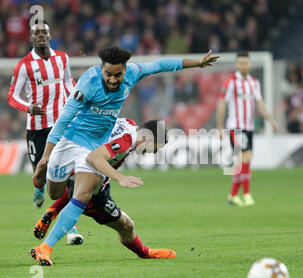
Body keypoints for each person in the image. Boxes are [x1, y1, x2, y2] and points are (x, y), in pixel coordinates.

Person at [32, 46, 219, 264]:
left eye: (117, 75)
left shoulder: (132, 75)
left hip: (95, 145)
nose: (113, 80)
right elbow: (64, 119)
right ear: (101, 69)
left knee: (82, 194)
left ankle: (45, 247)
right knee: (55, 193)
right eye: (108, 74)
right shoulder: (88, 84)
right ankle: (45, 194)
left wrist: (197, 63)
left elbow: (160, 65)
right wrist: (46, 156)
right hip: (71, 139)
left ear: (125, 71)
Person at [31, 118, 175, 265]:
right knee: (126, 225)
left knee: (79, 191)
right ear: (147, 139)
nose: (150, 153)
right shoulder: (124, 142)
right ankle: (145, 253)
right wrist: (121, 178)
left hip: (75, 161)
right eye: (154, 149)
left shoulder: (129, 123)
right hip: (94, 185)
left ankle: (52, 211)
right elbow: (93, 158)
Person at [7, 20, 83, 244]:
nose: (41, 35)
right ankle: (38, 188)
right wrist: (27, 107)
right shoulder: (25, 65)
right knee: (41, 172)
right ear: (31, 38)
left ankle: (71, 230)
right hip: (38, 128)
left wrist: (79, 101)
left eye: (44, 32)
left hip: (62, 125)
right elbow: (12, 95)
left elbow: (69, 82)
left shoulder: (63, 58)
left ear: (50, 36)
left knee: (67, 177)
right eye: (36, 32)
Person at [216, 51, 277, 207]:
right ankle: (247, 194)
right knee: (245, 159)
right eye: (241, 62)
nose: (244, 65)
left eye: (246, 62)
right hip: (235, 127)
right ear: (237, 64)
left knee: (242, 161)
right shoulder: (231, 82)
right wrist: (219, 127)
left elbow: (260, 104)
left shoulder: (254, 83)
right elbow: (222, 105)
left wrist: (270, 120)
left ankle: (233, 195)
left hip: (249, 127)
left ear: (249, 64)